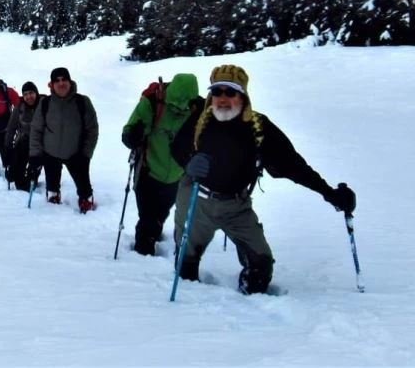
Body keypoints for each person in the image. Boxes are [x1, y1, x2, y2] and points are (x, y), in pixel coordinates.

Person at [171, 64, 356, 295]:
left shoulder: (259, 128)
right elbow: (177, 148)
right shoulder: (199, 121)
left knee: (261, 264)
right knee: (185, 267)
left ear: (243, 95)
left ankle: (251, 314)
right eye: (217, 91)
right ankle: (188, 318)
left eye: (231, 92)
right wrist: (189, 162)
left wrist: (329, 193)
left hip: (236, 207)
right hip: (196, 202)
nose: (223, 98)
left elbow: (293, 165)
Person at [121, 73, 201, 256]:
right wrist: (132, 135)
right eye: (173, 106)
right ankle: (142, 252)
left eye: (184, 107)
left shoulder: (199, 109)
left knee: (162, 211)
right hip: (147, 170)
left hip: (177, 174)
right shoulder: (152, 102)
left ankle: (154, 230)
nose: (179, 110)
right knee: (147, 215)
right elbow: (129, 131)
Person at [28, 67, 99, 213]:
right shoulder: (45, 103)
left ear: (69, 81)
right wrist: (35, 155)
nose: (61, 83)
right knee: (52, 185)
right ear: (52, 84)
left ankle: (86, 200)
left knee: (84, 185)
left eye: (64, 79)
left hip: (76, 153)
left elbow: (92, 130)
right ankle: (53, 197)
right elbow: (36, 130)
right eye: (57, 81)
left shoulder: (82, 102)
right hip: (50, 153)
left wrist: (86, 154)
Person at [5, 81, 42, 191]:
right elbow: (11, 128)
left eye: (31, 93)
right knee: (15, 177)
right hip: (24, 141)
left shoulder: (44, 105)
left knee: (32, 172)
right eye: (25, 94)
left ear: (36, 93)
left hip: (41, 144)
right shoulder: (19, 107)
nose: (28, 97)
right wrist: (8, 147)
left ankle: (34, 175)